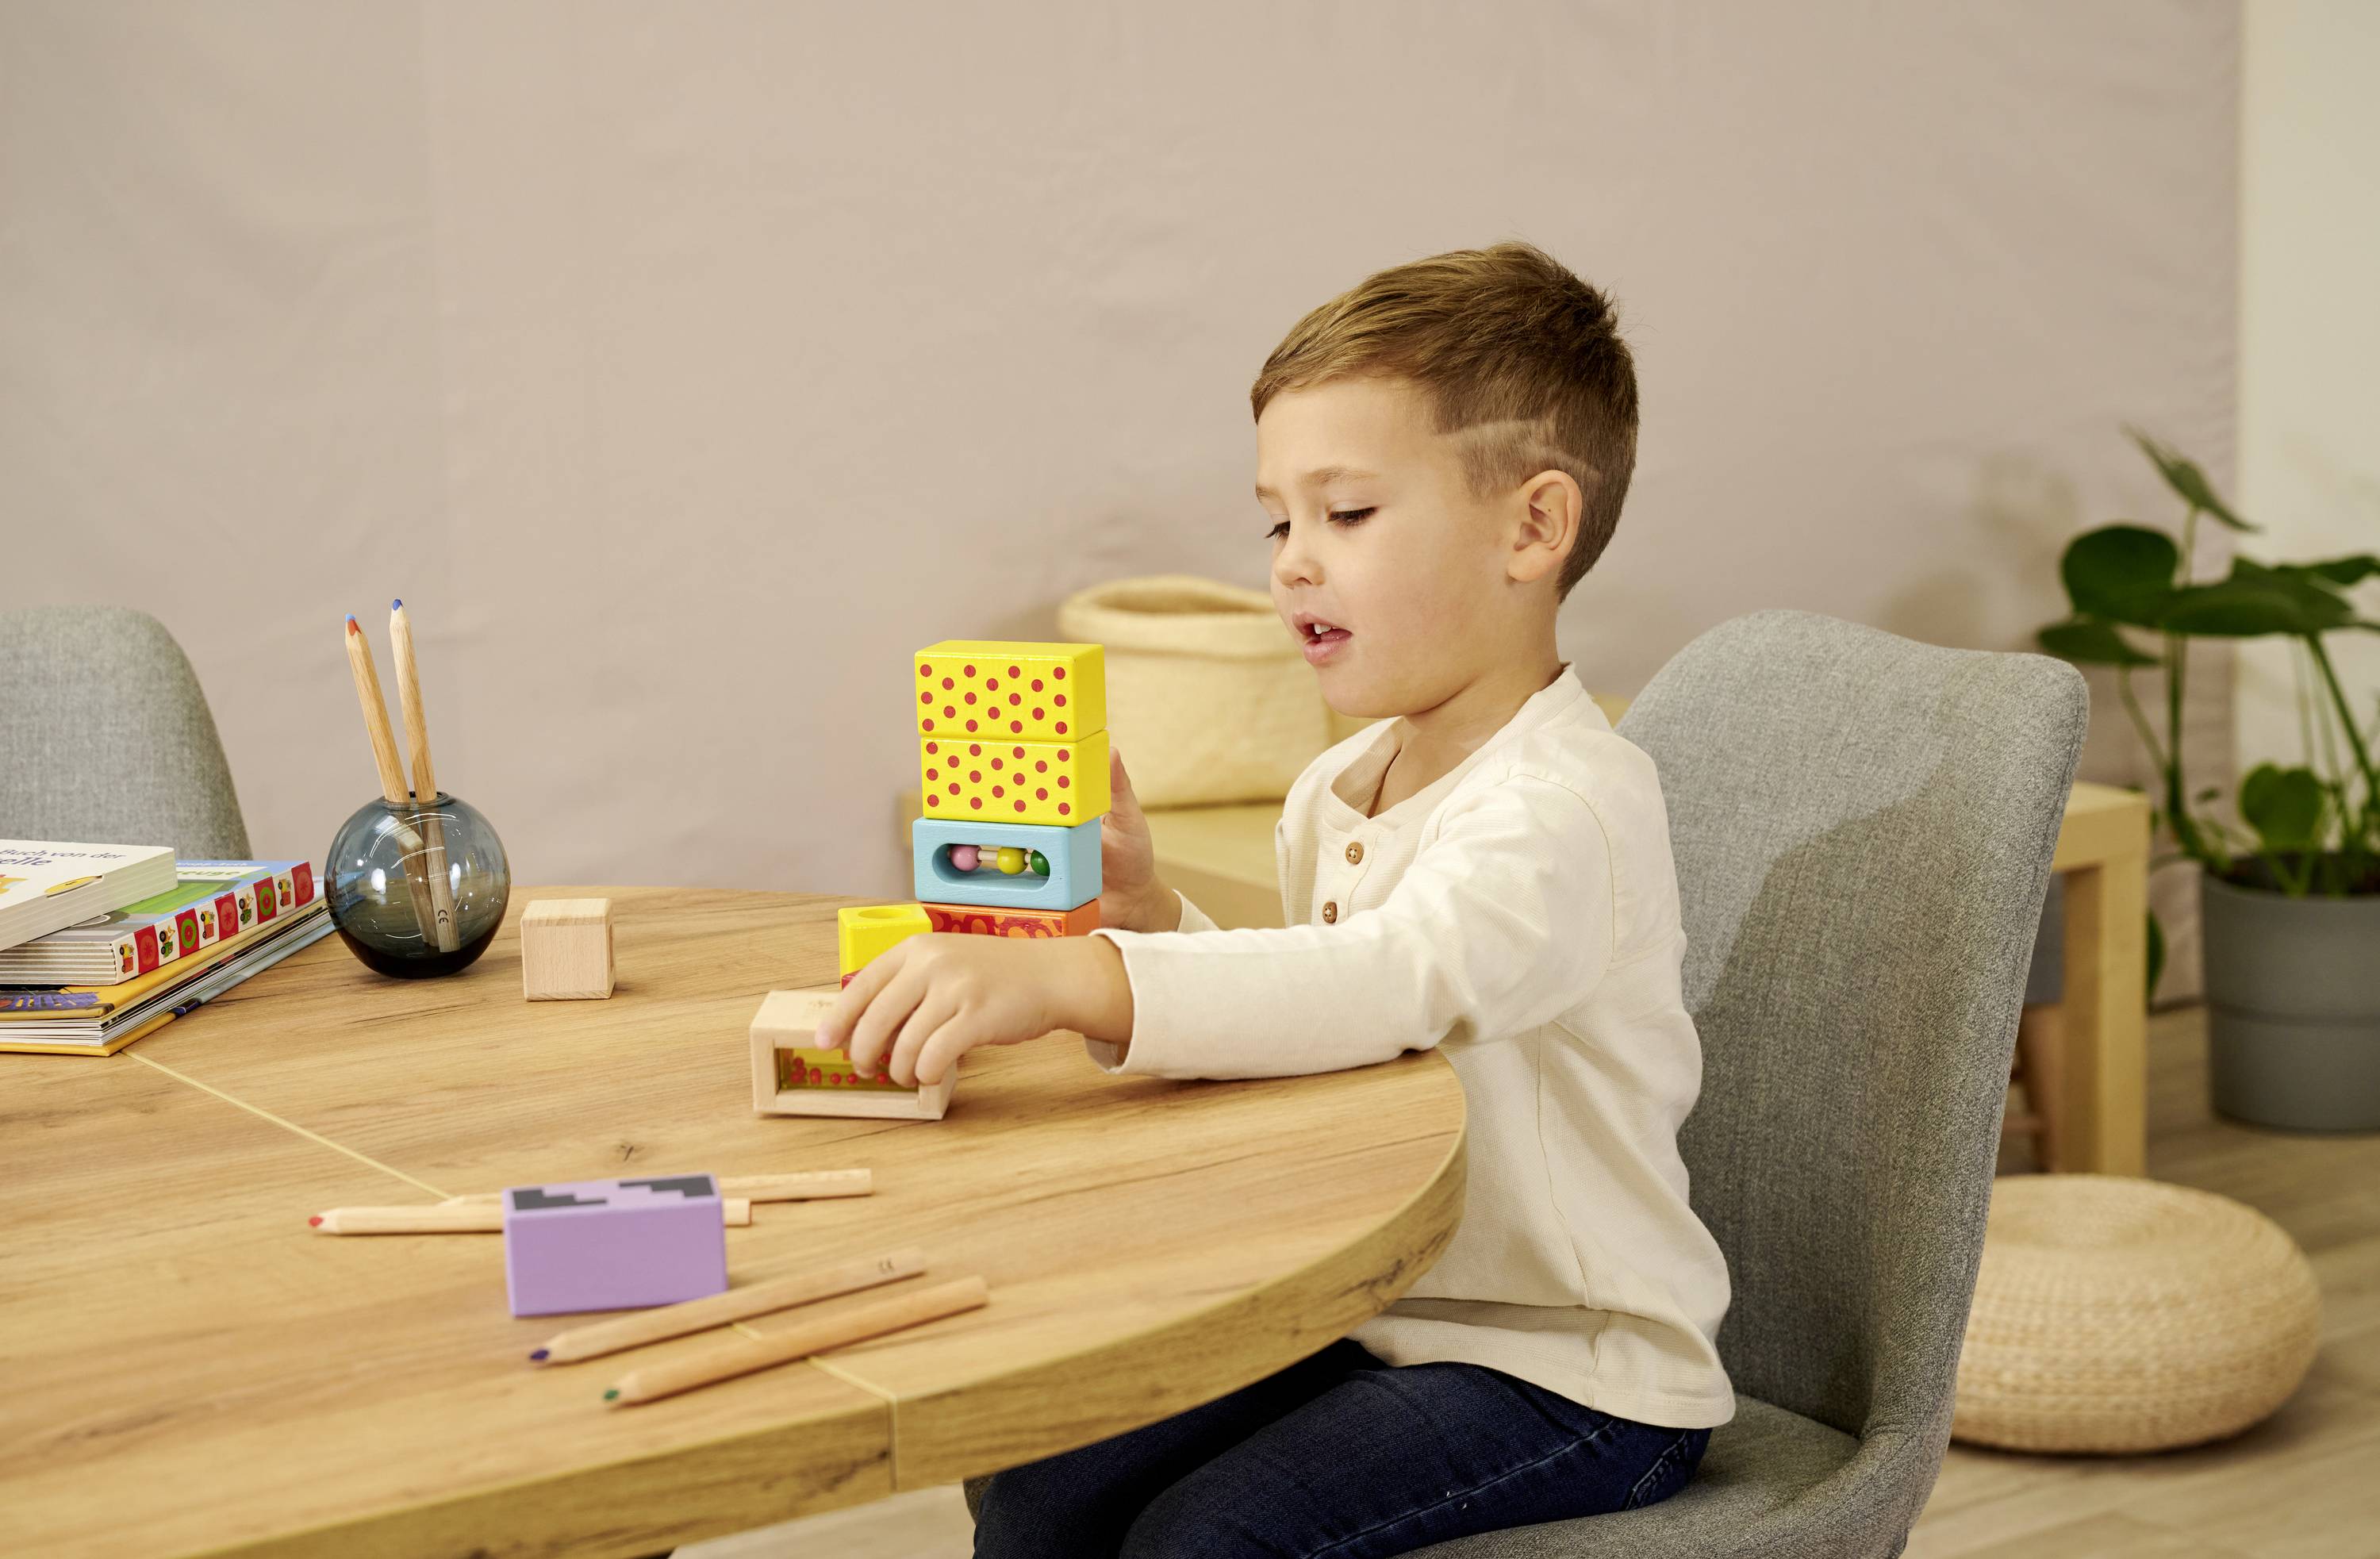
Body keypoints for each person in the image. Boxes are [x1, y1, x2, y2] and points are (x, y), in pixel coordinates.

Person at [821, 240, 1732, 1557]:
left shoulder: (1566, 809)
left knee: (1213, 1537)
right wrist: (1147, 918)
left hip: (1572, 1370)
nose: (1295, 560)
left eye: (1347, 514)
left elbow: (1395, 979)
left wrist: (1083, 981)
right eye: (1278, 519)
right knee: (1041, 1484)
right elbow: (1326, 1019)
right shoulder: (1337, 788)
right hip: (1373, 1314)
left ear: (1532, 527)